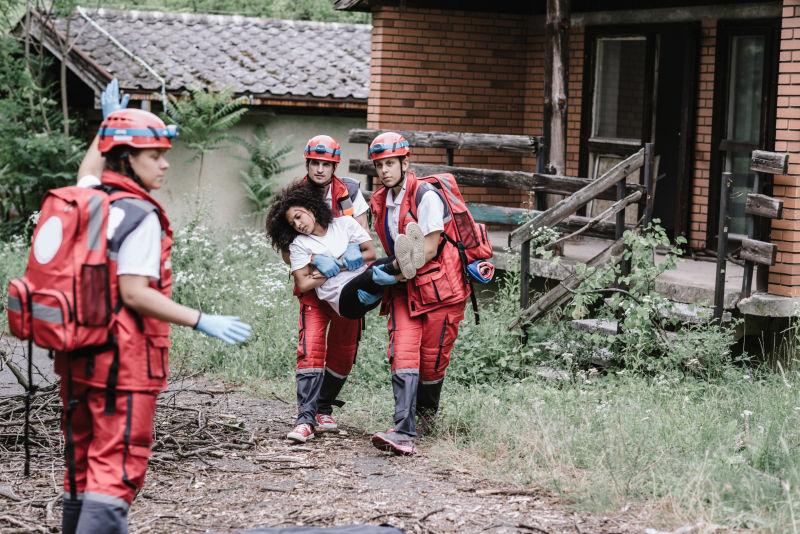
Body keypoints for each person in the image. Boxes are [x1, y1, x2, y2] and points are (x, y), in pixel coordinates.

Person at [59, 81, 252, 534]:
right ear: (126, 158)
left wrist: (107, 125)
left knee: (82, 465)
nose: (165, 164)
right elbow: (134, 292)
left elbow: (86, 170)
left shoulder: (89, 199)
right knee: (116, 469)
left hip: (78, 356)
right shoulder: (140, 215)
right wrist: (201, 319)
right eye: (154, 156)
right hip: (122, 364)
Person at [266, 182, 424, 443]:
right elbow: (303, 283)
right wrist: (334, 265)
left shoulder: (345, 225)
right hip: (343, 299)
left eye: (299, 216)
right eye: (292, 224)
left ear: (311, 208)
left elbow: (370, 252)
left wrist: (334, 265)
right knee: (376, 273)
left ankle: (402, 263)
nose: (298, 224)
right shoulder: (300, 246)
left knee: (379, 266)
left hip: (366, 294)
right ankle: (305, 420)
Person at [367, 132, 471, 456]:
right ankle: (403, 430)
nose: (384, 171)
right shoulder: (379, 202)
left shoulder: (426, 196)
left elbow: (428, 248)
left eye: (390, 164)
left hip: (440, 290)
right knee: (403, 353)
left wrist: (395, 269)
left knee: (432, 362)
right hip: (403, 288)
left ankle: (426, 420)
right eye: (379, 165)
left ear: (405, 163)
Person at [281, 135, 371, 442]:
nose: (320, 169)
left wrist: (350, 256)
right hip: (314, 284)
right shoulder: (295, 194)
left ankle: (323, 407)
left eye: (326, 164)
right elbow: (284, 246)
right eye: (315, 163)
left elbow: (363, 237)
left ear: (335, 165)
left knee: (345, 350)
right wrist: (315, 259)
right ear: (307, 164)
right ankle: (304, 418)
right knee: (311, 348)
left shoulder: (351, 192)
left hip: (347, 285)